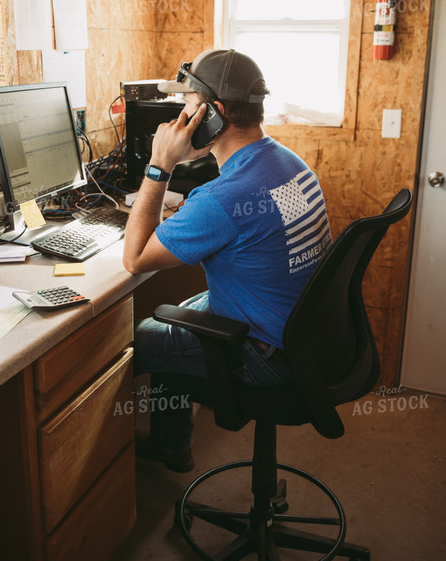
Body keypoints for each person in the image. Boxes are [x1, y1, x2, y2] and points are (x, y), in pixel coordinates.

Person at [123, 48, 332, 472]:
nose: (179, 116)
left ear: (212, 114)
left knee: (138, 339)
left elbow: (134, 258)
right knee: (176, 311)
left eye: (187, 105)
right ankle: (173, 445)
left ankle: (118, 467)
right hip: (307, 335)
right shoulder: (288, 163)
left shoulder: (222, 200)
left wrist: (159, 165)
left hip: (264, 355)